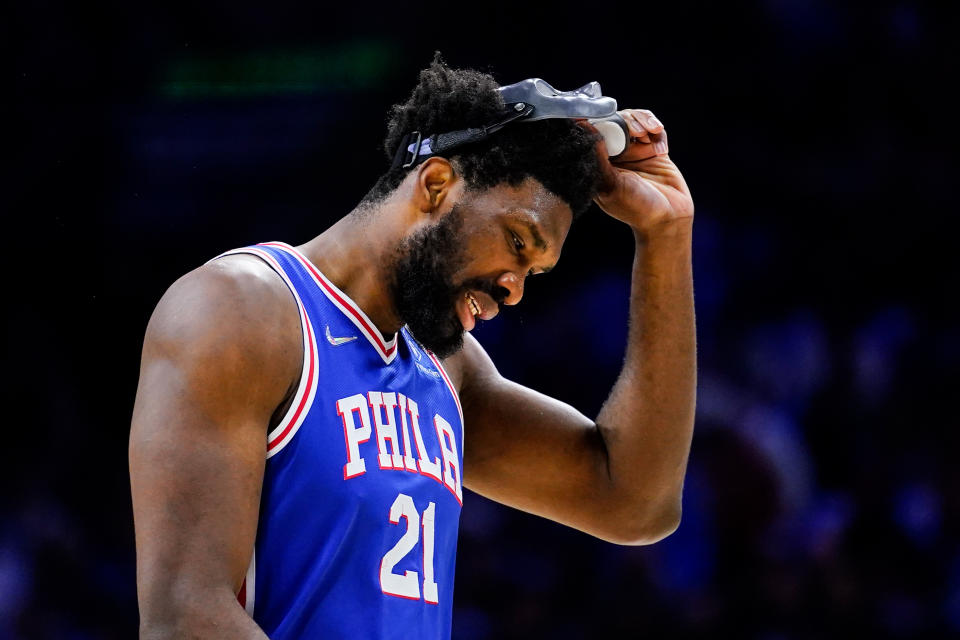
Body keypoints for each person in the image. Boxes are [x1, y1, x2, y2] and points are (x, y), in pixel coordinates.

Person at [129, 57, 696, 639]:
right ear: (436, 185)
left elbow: (634, 503)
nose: (514, 289)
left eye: (536, 271)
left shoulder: (447, 371)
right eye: (517, 242)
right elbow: (184, 618)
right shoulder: (242, 311)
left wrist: (666, 237)